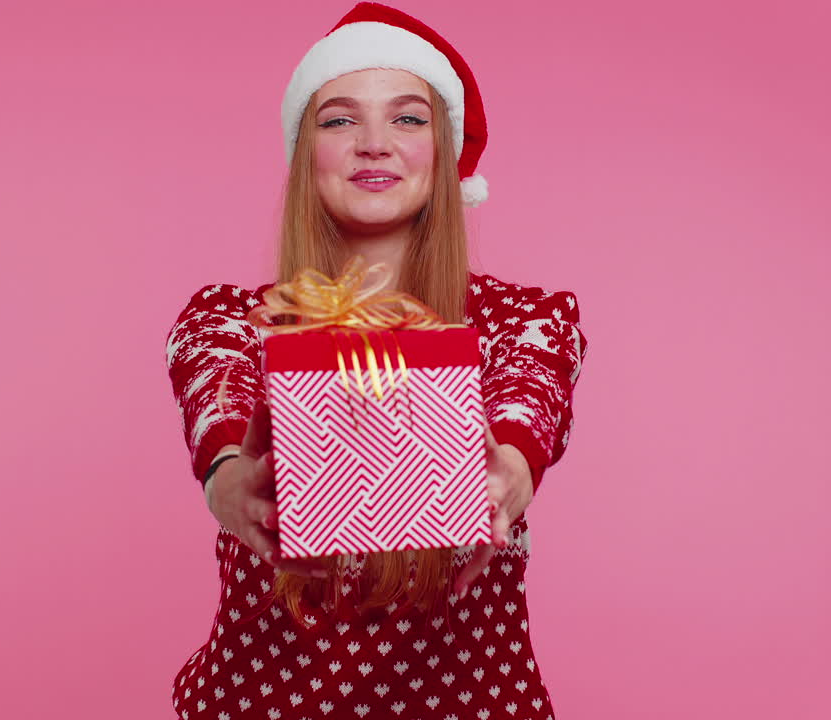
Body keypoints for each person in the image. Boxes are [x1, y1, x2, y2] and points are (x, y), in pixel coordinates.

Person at [164, 3, 588, 718]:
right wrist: (230, 482)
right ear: (306, 152)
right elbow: (217, 396)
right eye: (338, 120)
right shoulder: (232, 320)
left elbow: (529, 399)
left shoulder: (530, 322)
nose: (373, 144)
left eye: (407, 118)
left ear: (443, 149)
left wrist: (508, 476)